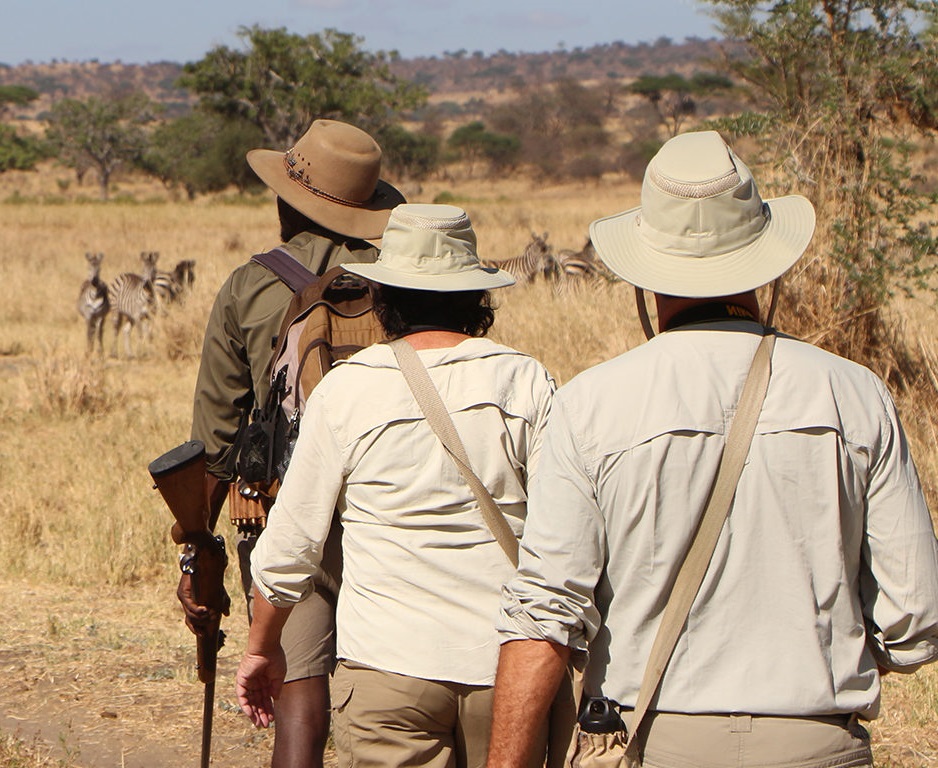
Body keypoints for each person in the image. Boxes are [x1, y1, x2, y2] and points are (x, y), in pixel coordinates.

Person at [486, 131, 938, 768]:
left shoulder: (591, 404)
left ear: (646, 277)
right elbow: (916, 614)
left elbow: (542, 619)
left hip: (652, 737)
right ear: (767, 267)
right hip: (819, 740)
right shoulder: (854, 392)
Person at [236, 203, 556, 768]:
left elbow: (290, 548)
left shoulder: (348, 390)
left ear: (385, 299)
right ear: (475, 298)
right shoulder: (524, 378)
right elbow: (566, 534)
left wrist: (261, 648)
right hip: (506, 666)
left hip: (389, 668)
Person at [179, 118, 405, 768]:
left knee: (299, 706)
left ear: (286, 200)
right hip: (390, 512)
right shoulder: (407, 281)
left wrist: (198, 557)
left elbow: (216, 447)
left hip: (285, 513)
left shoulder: (248, 287)